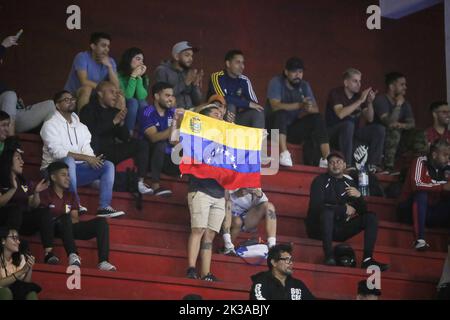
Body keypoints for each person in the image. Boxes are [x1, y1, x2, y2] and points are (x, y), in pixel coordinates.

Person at [40, 90, 125, 218]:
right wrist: (86, 158)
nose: (71, 101)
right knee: (69, 161)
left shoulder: (82, 127)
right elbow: (58, 153)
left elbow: (87, 151)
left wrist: (94, 159)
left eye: (72, 99)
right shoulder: (50, 125)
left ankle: (104, 207)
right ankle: (75, 204)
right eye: (66, 100)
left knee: (108, 165)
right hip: (52, 171)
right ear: (57, 105)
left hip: (76, 172)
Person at [305, 151, 389, 271]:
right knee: (327, 213)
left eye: (339, 162)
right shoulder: (319, 181)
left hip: (339, 229)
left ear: (344, 165)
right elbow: (316, 207)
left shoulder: (349, 182)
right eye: (331, 162)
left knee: (371, 217)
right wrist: (343, 209)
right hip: (318, 229)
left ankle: (367, 260)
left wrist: (359, 196)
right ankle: (329, 256)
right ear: (327, 166)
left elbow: (362, 212)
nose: (335, 165)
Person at [40, 161, 116, 270]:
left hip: (69, 227)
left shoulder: (70, 195)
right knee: (65, 217)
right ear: (53, 177)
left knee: (101, 222)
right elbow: (44, 218)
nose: (68, 178)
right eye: (63, 175)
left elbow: (74, 219)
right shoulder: (45, 193)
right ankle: (73, 255)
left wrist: (60, 213)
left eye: (68, 175)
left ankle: (103, 261)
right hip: (53, 229)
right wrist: (62, 214)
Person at [80, 81, 152, 195]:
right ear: (100, 94)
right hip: (95, 153)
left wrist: (121, 122)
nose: (115, 96)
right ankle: (94, 177)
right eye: (111, 92)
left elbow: (125, 138)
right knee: (94, 141)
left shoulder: (114, 112)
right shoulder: (88, 109)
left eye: (116, 93)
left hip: (111, 151)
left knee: (141, 144)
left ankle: (139, 182)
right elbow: (91, 133)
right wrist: (114, 121)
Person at [0, 140, 59, 264]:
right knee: (15, 210)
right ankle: (14, 248)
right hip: (5, 219)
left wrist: (36, 192)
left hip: (23, 220)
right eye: (18, 158)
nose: (22, 162)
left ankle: (48, 253)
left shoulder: (23, 180)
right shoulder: (2, 179)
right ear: (9, 161)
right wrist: (13, 189)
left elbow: (33, 204)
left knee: (44, 212)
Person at [186, 105, 226, 282]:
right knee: (198, 230)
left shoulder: (225, 137)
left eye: (221, 113)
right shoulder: (197, 135)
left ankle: (206, 273)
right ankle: (191, 269)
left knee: (210, 234)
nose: (220, 115)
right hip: (200, 189)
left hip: (220, 192)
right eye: (216, 113)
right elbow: (191, 119)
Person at [266, 57, 330, 167]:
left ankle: (327, 158)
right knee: (281, 113)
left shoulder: (304, 85)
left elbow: (315, 109)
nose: (298, 75)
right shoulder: (276, 82)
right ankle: (284, 153)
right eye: (294, 72)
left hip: (290, 130)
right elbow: (275, 106)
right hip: (273, 130)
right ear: (286, 72)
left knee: (317, 117)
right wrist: (300, 104)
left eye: (300, 72)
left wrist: (308, 106)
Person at [325, 68, 383, 172]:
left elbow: (370, 118)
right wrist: (361, 100)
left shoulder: (358, 96)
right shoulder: (336, 93)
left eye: (360, 81)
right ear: (346, 82)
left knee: (378, 129)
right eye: (355, 81)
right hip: (333, 133)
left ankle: (373, 165)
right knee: (348, 125)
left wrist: (369, 103)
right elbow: (341, 114)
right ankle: (347, 164)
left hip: (351, 134)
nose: (359, 84)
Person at [398, 139, 450, 251]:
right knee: (421, 194)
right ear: (435, 154)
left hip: (431, 211)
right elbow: (416, 184)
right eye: (445, 155)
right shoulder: (420, 161)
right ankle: (419, 240)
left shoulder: (447, 167)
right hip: (408, 210)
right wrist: (442, 187)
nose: (448, 159)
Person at [0, 35, 55, 135]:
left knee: (50, 105)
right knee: (10, 95)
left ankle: (50, 143)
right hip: (2, 119)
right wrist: (3, 46)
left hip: (16, 117)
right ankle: (9, 143)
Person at [373, 72, 425, 173]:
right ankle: (389, 168)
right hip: (382, 137)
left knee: (419, 134)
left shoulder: (405, 103)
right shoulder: (381, 100)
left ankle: (421, 168)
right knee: (394, 130)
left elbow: (412, 124)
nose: (405, 87)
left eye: (405, 85)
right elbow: (389, 123)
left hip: (400, 137)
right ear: (392, 86)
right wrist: (398, 105)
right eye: (402, 84)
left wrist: (401, 125)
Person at [138, 82, 181, 196]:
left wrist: (177, 122)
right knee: (160, 144)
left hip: (168, 157)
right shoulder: (147, 111)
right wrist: (174, 125)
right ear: (157, 96)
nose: (170, 99)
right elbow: (153, 137)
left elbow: (174, 140)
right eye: (167, 95)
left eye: (172, 96)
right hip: (149, 157)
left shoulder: (172, 112)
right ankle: (155, 186)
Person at [208, 49, 265, 129]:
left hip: (236, 118)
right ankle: (228, 140)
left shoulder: (244, 80)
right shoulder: (217, 77)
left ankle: (259, 141)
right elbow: (222, 98)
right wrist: (246, 103)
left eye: (243, 63)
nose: (242, 66)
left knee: (258, 112)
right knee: (230, 106)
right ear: (228, 63)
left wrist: (246, 104)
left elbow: (254, 104)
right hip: (216, 117)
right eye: (238, 62)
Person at [64, 32, 119, 111]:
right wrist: (104, 89)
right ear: (93, 46)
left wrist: (109, 67)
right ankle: (82, 122)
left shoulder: (110, 61)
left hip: (96, 96)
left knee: (119, 97)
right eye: (103, 46)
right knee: (87, 89)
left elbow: (116, 87)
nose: (107, 49)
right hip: (73, 95)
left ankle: (114, 123)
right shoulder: (82, 57)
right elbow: (84, 81)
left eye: (108, 46)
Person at [221, 188, 277, 255]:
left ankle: (272, 246)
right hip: (228, 214)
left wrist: (260, 195)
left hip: (247, 217)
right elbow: (221, 199)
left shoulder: (251, 179)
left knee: (269, 206)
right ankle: (228, 247)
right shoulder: (231, 179)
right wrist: (235, 195)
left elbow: (264, 203)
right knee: (237, 221)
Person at [250, 244, 315, 300]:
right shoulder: (261, 282)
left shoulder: (298, 284)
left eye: (291, 260)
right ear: (274, 262)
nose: (291, 263)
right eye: (287, 259)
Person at [154, 41, 203, 109]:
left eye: (191, 56)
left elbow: (198, 102)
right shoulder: (162, 70)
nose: (191, 59)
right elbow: (163, 96)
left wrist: (195, 85)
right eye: (187, 55)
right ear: (176, 56)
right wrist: (185, 83)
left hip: (190, 112)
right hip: (172, 112)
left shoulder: (189, 72)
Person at [0, 227, 41, 300]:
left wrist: (29, 268)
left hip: (15, 292)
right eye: (14, 238)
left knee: (30, 293)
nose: (18, 242)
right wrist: (21, 271)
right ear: (3, 241)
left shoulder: (20, 257)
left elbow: (25, 284)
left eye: (18, 239)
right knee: (5, 292)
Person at [117, 47, 149, 133]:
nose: (141, 63)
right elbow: (127, 96)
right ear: (128, 60)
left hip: (137, 106)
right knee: (133, 102)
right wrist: (133, 76)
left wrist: (138, 77)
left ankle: (144, 133)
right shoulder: (119, 75)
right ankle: (128, 133)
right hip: (121, 104)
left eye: (142, 60)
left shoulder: (144, 77)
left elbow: (142, 97)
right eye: (138, 59)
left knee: (143, 103)